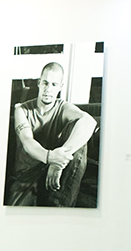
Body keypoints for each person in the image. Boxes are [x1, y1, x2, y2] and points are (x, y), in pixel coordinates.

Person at [6, 62, 96, 207]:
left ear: (60, 87)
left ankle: (59, 209)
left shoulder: (63, 108)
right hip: (26, 176)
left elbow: (89, 121)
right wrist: (50, 157)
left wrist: (58, 163)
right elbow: (27, 141)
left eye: (54, 84)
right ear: (39, 83)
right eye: (45, 83)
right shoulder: (22, 109)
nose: (48, 89)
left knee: (79, 136)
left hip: (53, 173)